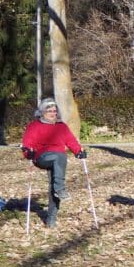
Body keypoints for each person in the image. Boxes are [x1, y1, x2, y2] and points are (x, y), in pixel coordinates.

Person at [20, 97, 86, 228]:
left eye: (55, 111)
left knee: (53, 187)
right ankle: (60, 188)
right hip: (41, 158)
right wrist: (28, 152)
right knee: (60, 156)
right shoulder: (34, 126)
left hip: (58, 159)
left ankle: (51, 220)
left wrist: (78, 151)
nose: (53, 113)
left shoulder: (61, 126)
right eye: (49, 111)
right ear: (42, 112)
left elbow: (71, 141)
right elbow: (27, 144)